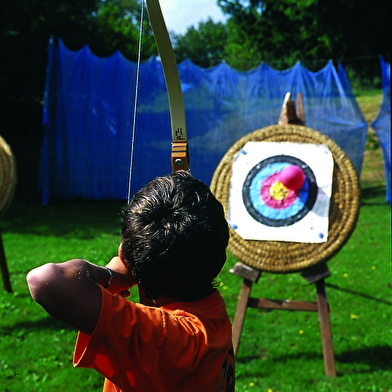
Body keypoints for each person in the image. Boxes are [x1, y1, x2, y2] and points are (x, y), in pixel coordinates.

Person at [27, 171, 235, 392]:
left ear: (124, 258)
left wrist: (112, 274)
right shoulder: (212, 317)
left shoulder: (166, 341)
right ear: (219, 259)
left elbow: (44, 280)